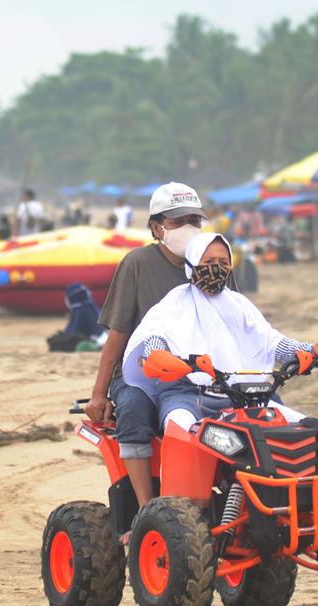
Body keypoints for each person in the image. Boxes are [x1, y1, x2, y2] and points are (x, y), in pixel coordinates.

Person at [85, 182, 223, 510]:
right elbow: (117, 334)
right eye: (177, 222)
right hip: (143, 373)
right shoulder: (136, 264)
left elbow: (234, 323)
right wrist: (99, 393)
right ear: (156, 227)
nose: (188, 228)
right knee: (133, 409)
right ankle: (147, 509)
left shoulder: (215, 263)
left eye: (194, 219)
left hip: (203, 372)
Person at [123, 232, 318, 437]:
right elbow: (155, 338)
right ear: (192, 264)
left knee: (305, 429)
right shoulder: (173, 304)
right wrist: (158, 356)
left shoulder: (239, 305)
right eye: (209, 261)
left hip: (245, 398)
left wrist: (312, 351)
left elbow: (272, 342)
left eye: (223, 262)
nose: (217, 268)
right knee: (179, 429)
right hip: (188, 395)